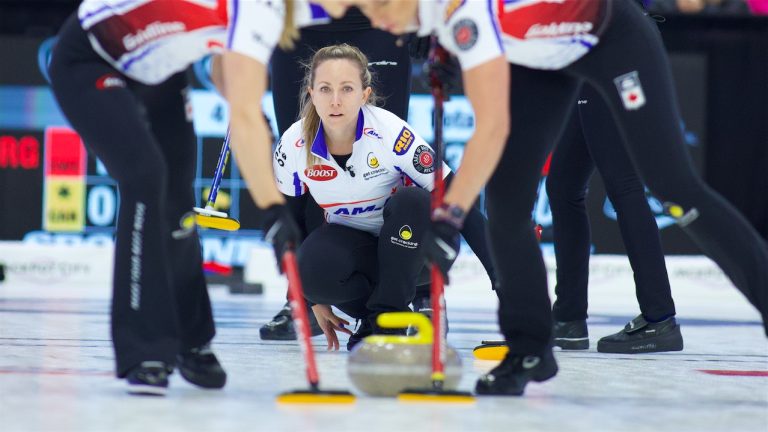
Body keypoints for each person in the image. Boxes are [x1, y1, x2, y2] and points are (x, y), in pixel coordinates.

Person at [335, 0, 768, 396]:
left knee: (674, 187)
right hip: (541, 55)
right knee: (507, 201)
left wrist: (450, 216)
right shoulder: (444, 17)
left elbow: (491, 129)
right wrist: (445, 54)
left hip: (610, 35)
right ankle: (530, 349)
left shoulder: (468, 15)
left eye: (382, 4)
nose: (375, 17)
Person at [47, 0, 338, 395]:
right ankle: (144, 348)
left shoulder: (289, 10)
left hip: (159, 71)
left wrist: (251, 112)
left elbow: (223, 67)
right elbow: (243, 114)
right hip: (91, 59)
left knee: (179, 204)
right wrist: (272, 206)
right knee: (145, 177)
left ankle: (192, 339)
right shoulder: (260, 7)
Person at [260, 10, 496, 341]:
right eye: (325, 90)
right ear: (311, 94)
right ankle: (372, 319)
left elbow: (458, 197)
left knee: (413, 199)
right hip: (298, 20)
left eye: (346, 89)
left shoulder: (390, 132)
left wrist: (506, 287)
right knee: (312, 268)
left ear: (365, 94)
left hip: (415, 247)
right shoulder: (293, 144)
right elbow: (294, 219)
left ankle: (397, 309)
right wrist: (310, 296)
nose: (336, 101)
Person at [548, 83, 682, 354]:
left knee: (625, 187)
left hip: (608, 70)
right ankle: (568, 318)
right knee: (563, 186)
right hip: (589, 74)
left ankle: (660, 317)